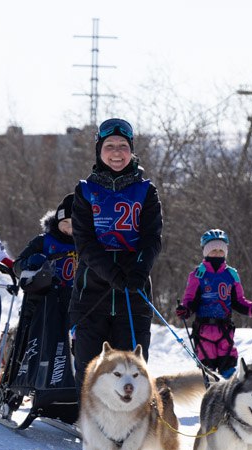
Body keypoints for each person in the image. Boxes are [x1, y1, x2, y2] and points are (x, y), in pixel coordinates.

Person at [68, 118, 163, 392]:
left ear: (131, 150)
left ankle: (128, 429)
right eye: (110, 145)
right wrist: (112, 274)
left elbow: (152, 238)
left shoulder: (146, 191)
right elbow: (84, 241)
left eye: (123, 145)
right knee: (90, 370)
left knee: (131, 371)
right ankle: (92, 427)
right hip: (91, 292)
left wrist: (137, 271)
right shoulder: (85, 190)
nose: (117, 152)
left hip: (133, 292)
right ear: (99, 149)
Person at [3, 193, 78, 395]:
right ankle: (13, 385)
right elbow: (18, 266)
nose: (69, 229)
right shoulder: (44, 241)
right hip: (39, 303)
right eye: (66, 223)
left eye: (75, 224)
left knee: (73, 347)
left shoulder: (85, 246)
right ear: (58, 220)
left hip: (71, 304)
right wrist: (32, 265)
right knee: (28, 343)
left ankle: (67, 390)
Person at [175, 229, 252, 378]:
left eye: (220, 250)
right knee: (208, 375)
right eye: (213, 250)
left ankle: (229, 399)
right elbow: (191, 300)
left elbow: (239, 301)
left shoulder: (231, 275)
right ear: (205, 252)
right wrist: (185, 310)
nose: (217, 253)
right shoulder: (197, 275)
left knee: (229, 372)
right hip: (204, 332)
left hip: (225, 331)